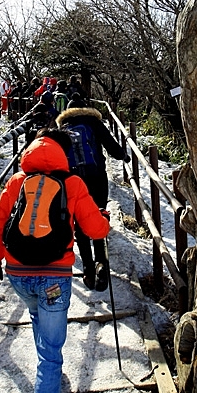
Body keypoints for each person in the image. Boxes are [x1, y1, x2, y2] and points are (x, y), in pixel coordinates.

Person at [0, 128, 110, 393]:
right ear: (63, 153)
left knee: (37, 317)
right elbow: (96, 230)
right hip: (54, 277)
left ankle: (48, 380)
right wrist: (105, 221)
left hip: (19, 274)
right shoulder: (72, 184)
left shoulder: (16, 182)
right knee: (51, 357)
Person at [56, 95, 130, 291]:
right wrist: (124, 156)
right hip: (96, 177)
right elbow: (111, 145)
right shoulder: (93, 122)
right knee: (98, 217)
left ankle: (88, 267)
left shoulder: (62, 127)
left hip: (72, 181)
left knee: (80, 222)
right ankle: (101, 264)